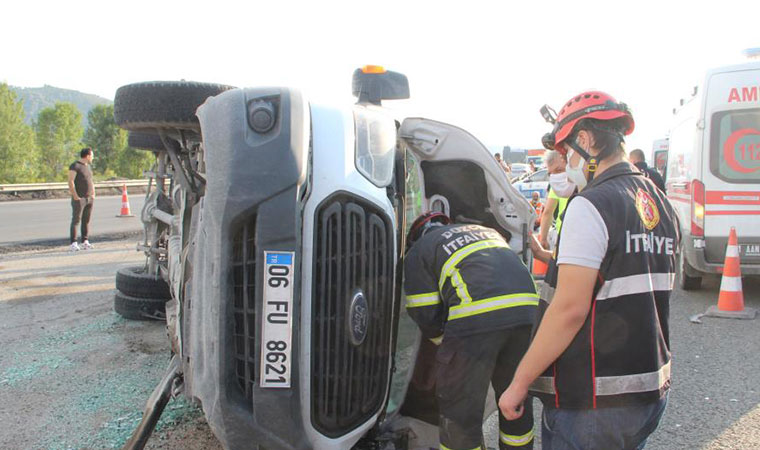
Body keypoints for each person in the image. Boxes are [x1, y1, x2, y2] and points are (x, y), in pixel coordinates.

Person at [499, 91, 680, 449]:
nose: (565, 164)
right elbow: (619, 273)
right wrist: (552, 256)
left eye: (566, 152)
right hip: (647, 391)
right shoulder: (659, 202)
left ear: (585, 140)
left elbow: (570, 309)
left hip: (594, 402)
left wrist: (519, 383)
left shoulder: (591, 204)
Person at [404, 212, 539, 449]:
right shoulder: (486, 232)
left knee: (460, 411)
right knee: (515, 399)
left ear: (415, 236)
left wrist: (445, 344)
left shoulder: (421, 249)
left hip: (477, 316)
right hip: (528, 311)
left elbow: (423, 310)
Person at [538, 150, 569, 250]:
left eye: (559, 170)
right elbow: (547, 212)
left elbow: (548, 212)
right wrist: (543, 239)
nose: (556, 176)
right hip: (562, 235)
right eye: (551, 173)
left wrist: (543, 239)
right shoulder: (558, 185)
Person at [68, 147, 95, 251]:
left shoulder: (87, 167)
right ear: (87, 156)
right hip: (80, 198)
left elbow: (90, 181)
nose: (93, 157)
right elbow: (71, 181)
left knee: (86, 220)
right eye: (92, 155)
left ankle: (85, 241)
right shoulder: (75, 166)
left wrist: (93, 194)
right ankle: (73, 243)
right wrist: (75, 196)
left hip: (89, 198)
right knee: (76, 220)